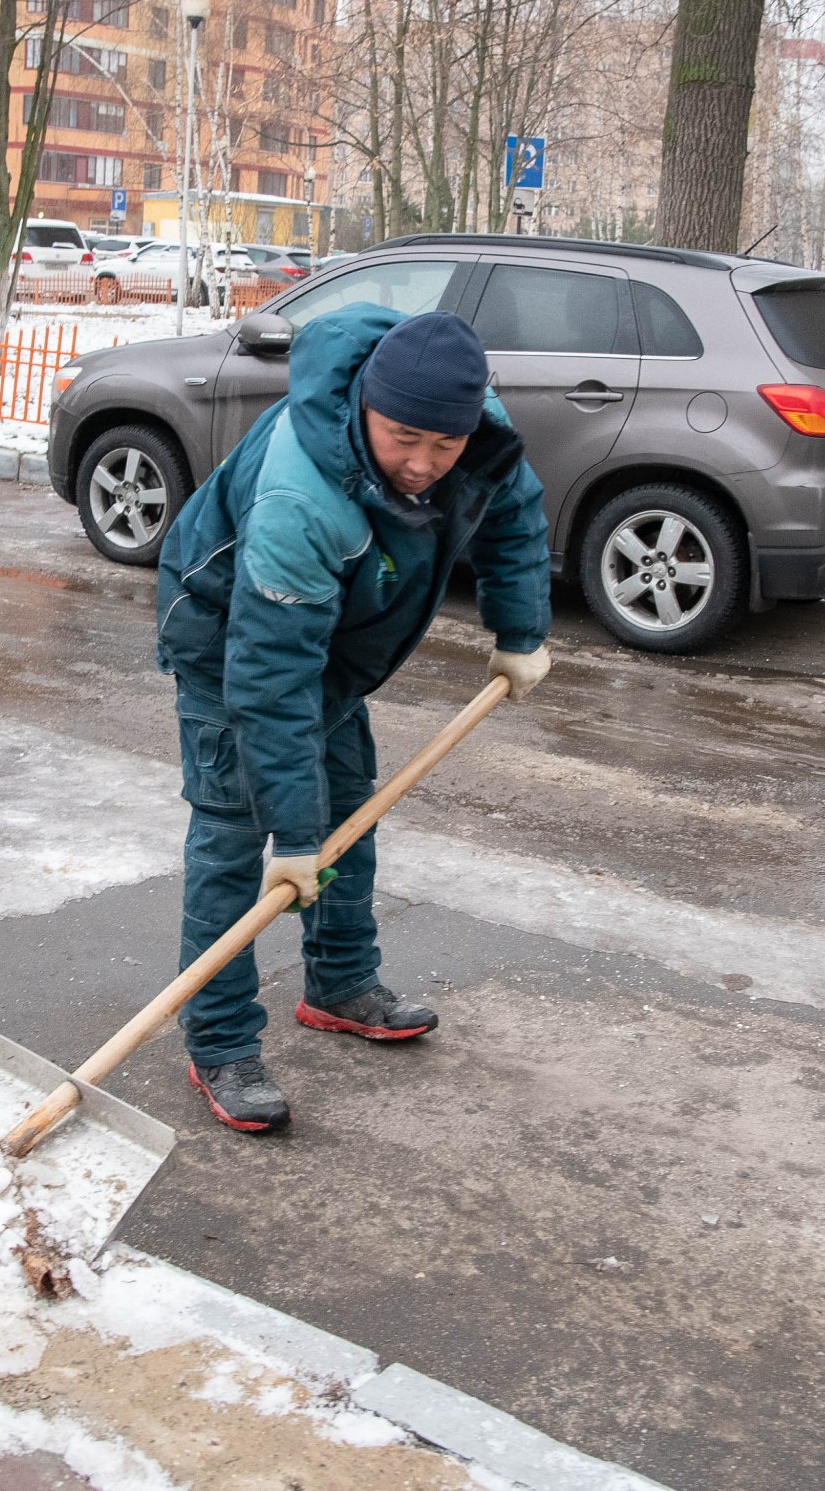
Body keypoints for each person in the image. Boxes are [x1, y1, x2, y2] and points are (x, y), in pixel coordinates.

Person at [153, 301, 552, 1132]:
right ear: (367, 401)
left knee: (351, 807)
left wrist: (521, 632)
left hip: (331, 637)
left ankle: (339, 983)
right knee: (238, 839)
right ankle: (219, 1040)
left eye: (443, 446)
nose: (423, 465)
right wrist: (291, 844)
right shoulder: (301, 497)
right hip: (231, 633)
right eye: (403, 439)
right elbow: (268, 678)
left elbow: (514, 514)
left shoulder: (475, 428)